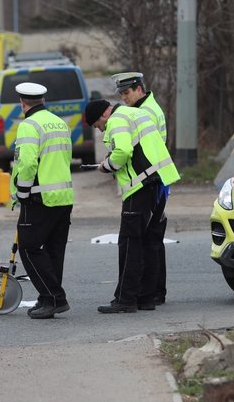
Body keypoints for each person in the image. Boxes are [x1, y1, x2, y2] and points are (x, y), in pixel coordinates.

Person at [84, 98, 180, 314]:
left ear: (103, 115)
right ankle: (146, 298)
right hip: (159, 183)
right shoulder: (135, 113)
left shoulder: (117, 120)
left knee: (129, 243)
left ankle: (125, 299)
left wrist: (106, 165)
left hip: (140, 187)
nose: (101, 131)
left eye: (99, 126)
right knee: (149, 243)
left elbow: (123, 151)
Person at [10, 82, 74, 319]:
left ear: (22, 103)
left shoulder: (29, 125)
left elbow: (27, 163)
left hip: (39, 197)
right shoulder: (59, 122)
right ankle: (47, 299)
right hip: (63, 196)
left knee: (29, 248)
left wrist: (23, 193)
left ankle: (55, 298)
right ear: (43, 101)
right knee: (53, 251)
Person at [111, 72, 170, 305]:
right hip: (158, 179)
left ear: (138, 89)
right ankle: (156, 291)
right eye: (121, 94)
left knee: (146, 241)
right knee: (153, 240)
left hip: (149, 181)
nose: (124, 98)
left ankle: (149, 292)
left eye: (126, 93)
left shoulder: (144, 112)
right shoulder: (150, 107)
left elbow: (139, 149)